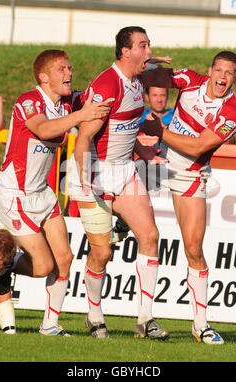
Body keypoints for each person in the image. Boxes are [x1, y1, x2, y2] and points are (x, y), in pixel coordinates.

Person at [0, 49, 110, 337]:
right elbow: (44, 130)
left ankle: (49, 325)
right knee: (44, 264)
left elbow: (104, 92)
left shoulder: (69, 102)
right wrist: (82, 115)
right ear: (43, 77)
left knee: (65, 258)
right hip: (14, 194)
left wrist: (137, 71)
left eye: (69, 68)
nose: (69, 73)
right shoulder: (28, 101)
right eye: (61, 69)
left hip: (42, 192)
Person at [67, 26, 171, 340]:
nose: (149, 51)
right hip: (95, 173)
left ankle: (145, 320)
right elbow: (84, 136)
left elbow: (149, 69)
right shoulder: (108, 85)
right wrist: (86, 178)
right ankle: (95, 315)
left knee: (151, 235)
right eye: (143, 46)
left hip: (124, 171)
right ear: (125, 51)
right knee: (102, 254)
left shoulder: (138, 80)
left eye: (149, 45)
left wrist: (155, 62)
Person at [137, 50, 236, 345]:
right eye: (218, 70)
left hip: (190, 176)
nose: (222, 77)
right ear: (210, 69)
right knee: (144, 231)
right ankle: (144, 319)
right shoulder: (190, 80)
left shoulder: (232, 113)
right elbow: (142, 78)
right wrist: (146, 63)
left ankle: (200, 325)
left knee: (194, 248)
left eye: (229, 73)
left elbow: (198, 148)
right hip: (156, 165)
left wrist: (160, 130)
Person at [112, 86, 173, 243]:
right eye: (155, 95)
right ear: (147, 97)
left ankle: (124, 222)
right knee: (140, 168)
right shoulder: (140, 117)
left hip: (171, 164)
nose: (159, 99)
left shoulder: (174, 117)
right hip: (146, 165)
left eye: (162, 95)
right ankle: (124, 222)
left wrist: (165, 133)